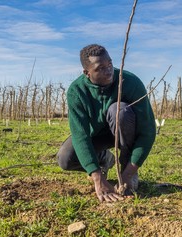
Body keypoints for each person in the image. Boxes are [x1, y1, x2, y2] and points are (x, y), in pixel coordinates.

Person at [57, 44, 156, 203]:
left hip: (124, 130)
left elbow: (148, 131)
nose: (108, 70)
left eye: (110, 64)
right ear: (87, 72)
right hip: (95, 136)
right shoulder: (77, 91)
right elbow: (80, 136)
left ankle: (124, 168)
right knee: (65, 158)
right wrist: (97, 178)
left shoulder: (130, 82)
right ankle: (104, 160)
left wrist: (128, 174)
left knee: (120, 111)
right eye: (100, 68)